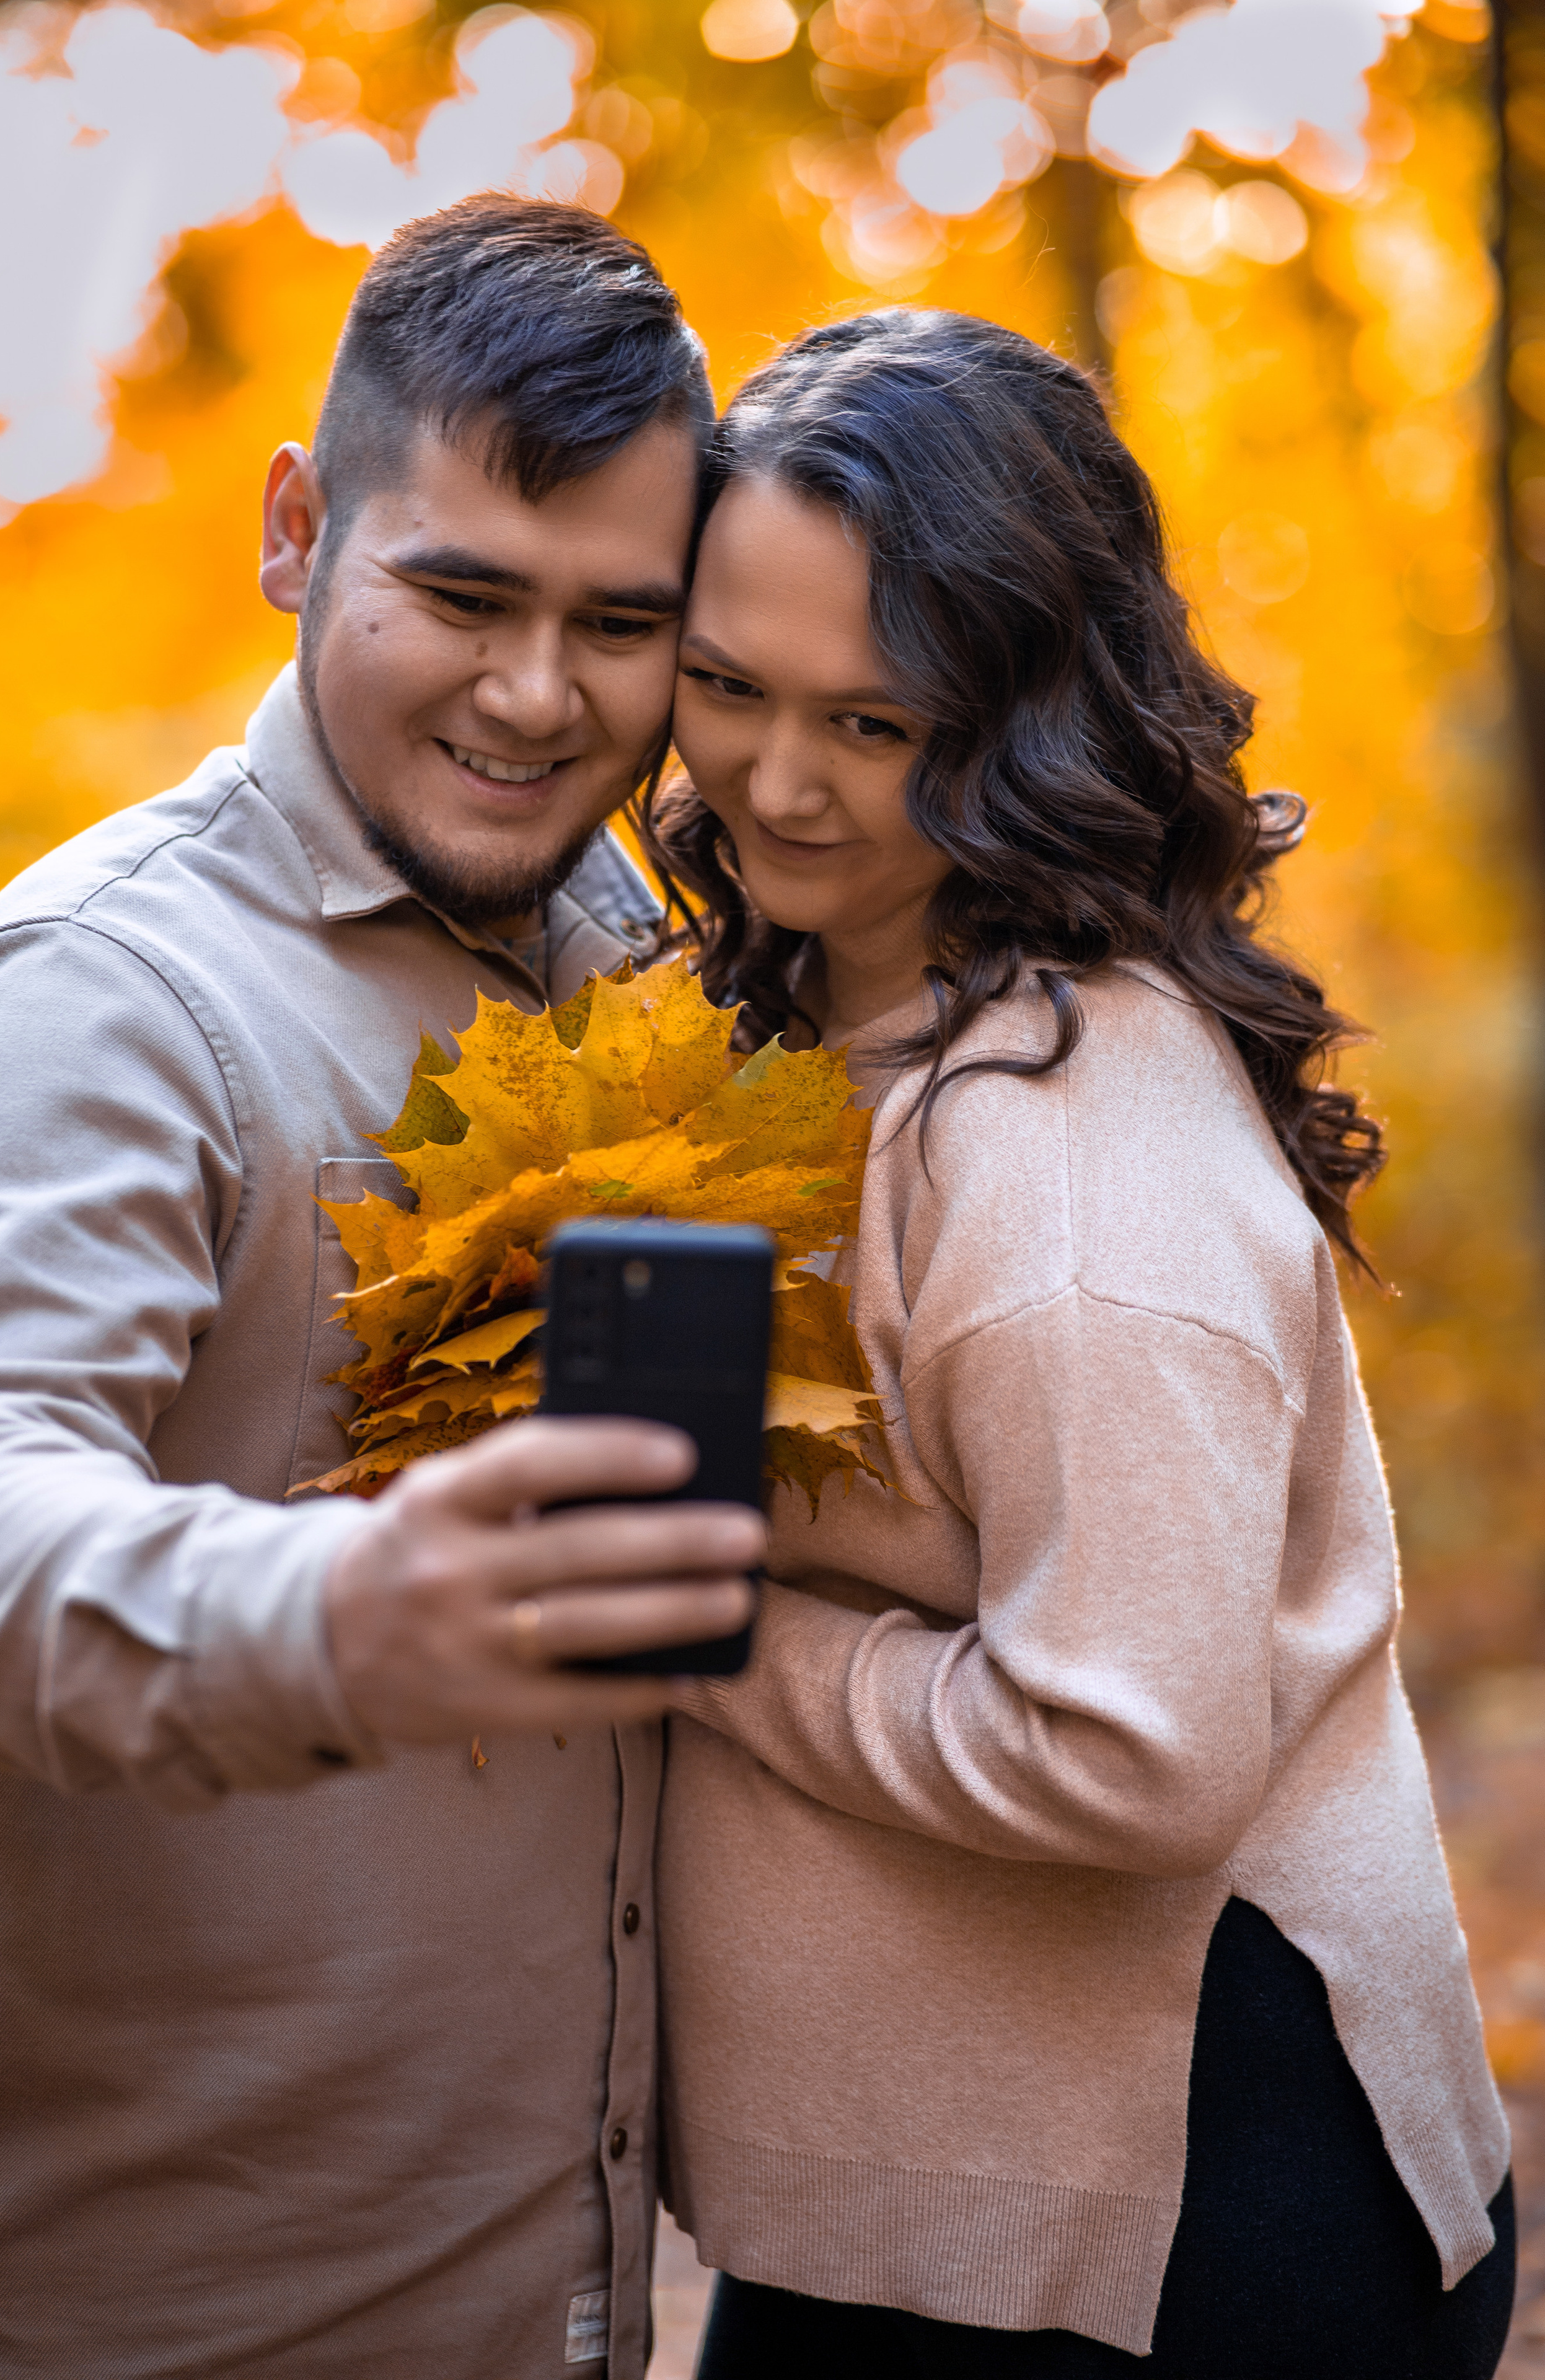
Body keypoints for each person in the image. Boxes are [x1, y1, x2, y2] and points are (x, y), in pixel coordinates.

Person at [645, 309, 1516, 2378]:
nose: (775, 779)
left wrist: (707, 1641)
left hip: (1173, 2235)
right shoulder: (849, 1010)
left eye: (875, 724)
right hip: (954, 2194)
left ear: (1029, 709)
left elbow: (1134, 1742)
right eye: (726, 686)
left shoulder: (1068, 1172)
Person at [0, 195, 764, 2379]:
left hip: (571, 2301)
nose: (536, 695)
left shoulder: (645, 957)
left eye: (622, 625)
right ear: (299, 530)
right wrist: (328, 1618)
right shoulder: (110, 996)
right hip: (179, 2320)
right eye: (463, 592)